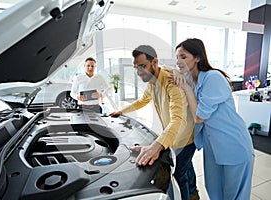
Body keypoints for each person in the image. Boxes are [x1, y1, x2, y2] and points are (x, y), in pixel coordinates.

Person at [109, 45, 199, 200]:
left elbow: (178, 119)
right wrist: (121, 111)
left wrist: (157, 145)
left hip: (185, 139)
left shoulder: (172, 82)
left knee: (179, 174)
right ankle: (194, 192)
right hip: (174, 137)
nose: (138, 72)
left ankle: (188, 195)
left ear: (154, 62)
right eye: (136, 67)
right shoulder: (152, 81)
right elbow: (143, 100)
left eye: (142, 66)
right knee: (187, 167)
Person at [171, 38, 255, 200]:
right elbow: (165, 70)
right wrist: (175, 71)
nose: (178, 61)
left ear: (198, 58)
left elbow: (199, 117)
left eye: (183, 57)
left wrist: (187, 88)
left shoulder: (213, 78)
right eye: (177, 57)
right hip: (212, 146)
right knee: (214, 191)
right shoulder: (190, 78)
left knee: (234, 194)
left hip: (233, 143)